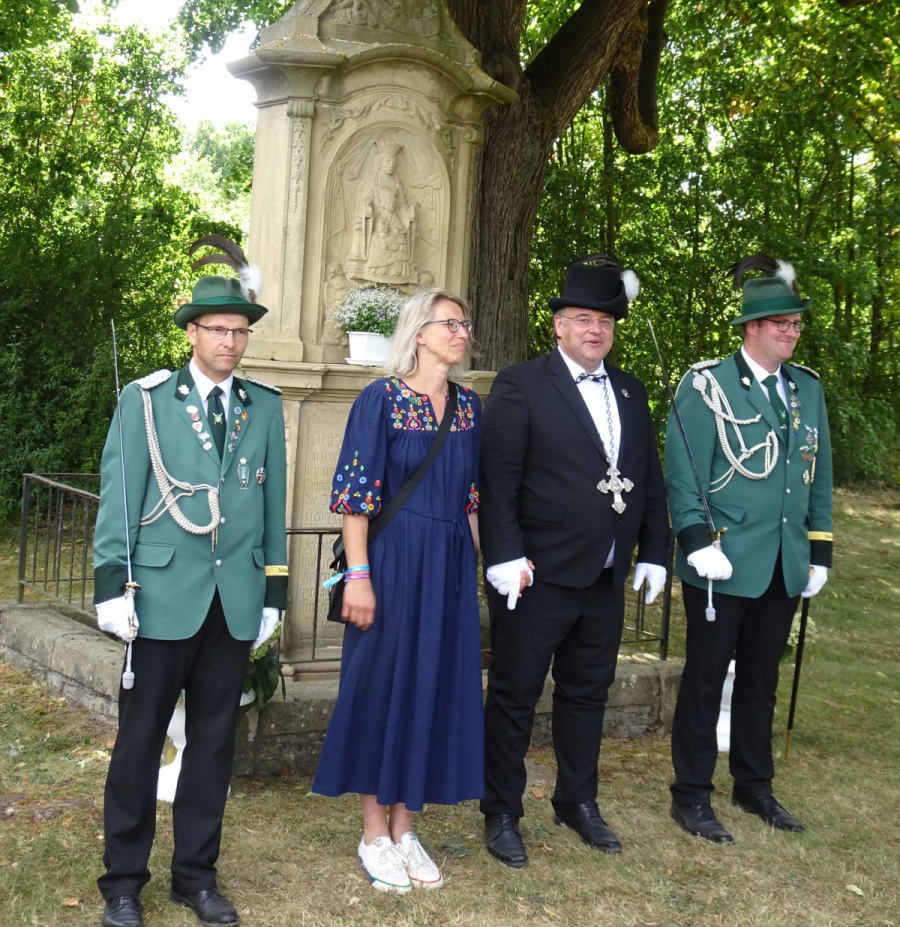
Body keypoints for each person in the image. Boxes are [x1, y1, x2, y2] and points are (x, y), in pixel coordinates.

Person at [92, 254, 288, 927]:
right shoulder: (146, 400)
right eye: (217, 330)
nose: (230, 342)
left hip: (232, 601)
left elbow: (271, 505)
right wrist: (111, 586)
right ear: (192, 333)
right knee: (139, 744)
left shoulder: (263, 407)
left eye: (239, 331)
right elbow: (120, 497)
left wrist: (273, 593)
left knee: (212, 745)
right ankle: (123, 884)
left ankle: (196, 877)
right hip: (160, 596)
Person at [478, 256, 670, 868]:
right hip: (536, 575)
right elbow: (498, 480)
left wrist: (655, 551)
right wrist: (504, 555)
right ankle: (501, 810)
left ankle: (577, 801)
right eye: (583, 318)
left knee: (588, 694)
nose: (596, 330)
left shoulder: (631, 390)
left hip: (606, 575)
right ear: (558, 324)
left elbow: (649, 478)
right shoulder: (521, 384)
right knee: (515, 695)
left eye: (605, 321)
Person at [312, 287, 484, 893]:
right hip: (390, 560)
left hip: (449, 563)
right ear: (418, 332)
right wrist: (358, 577)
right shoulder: (380, 399)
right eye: (450, 324)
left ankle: (406, 828)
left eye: (464, 325)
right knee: (380, 685)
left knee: (434, 684)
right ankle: (372, 834)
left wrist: (482, 569)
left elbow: (471, 497)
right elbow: (355, 496)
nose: (461, 333)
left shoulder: (469, 406)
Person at [665, 256, 833, 844]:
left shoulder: (807, 389)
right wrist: (695, 542)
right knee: (706, 679)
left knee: (762, 680)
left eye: (796, 324)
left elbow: (817, 475)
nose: (792, 332)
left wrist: (819, 550)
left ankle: (753, 785)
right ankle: (691, 793)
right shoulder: (706, 386)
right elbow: (684, 475)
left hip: (783, 561)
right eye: (781, 323)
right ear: (751, 328)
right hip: (723, 558)